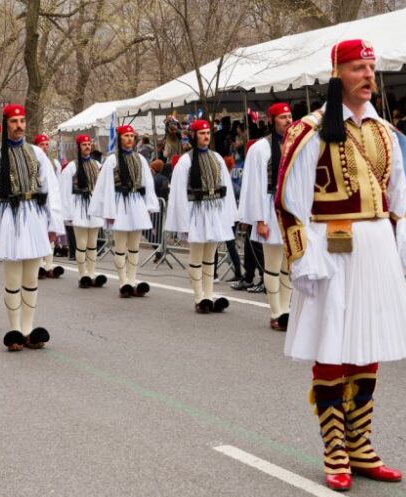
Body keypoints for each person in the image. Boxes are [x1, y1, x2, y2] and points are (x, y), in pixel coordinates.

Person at [275, 39, 406, 491]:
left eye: (371, 67)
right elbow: (290, 202)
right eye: (356, 68)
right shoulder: (309, 130)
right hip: (330, 247)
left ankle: (361, 443)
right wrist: (304, 258)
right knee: (332, 348)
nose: (368, 75)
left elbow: (401, 201)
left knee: (367, 344)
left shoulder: (387, 133)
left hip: (374, 246)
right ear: (337, 74)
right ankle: (335, 447)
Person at [0, 104, 63, 351]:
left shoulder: (37, 153)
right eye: (14, 121)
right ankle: (14, 330)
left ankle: (28, 329)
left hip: (33, 217)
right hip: (7, 219)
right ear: (6, 124)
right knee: (12, 277)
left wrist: (53, 223)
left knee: (31, 277)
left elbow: (49, 189)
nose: (20, 125)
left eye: (22, 121)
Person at [166, 119, 238, 314]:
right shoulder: (186, 161)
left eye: (208, 132)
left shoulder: (217, 158)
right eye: (202, 133)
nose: (206, 136)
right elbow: (179, 194)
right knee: (196, 256)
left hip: (214, 211)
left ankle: (209, 295)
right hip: (195, 213)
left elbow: (226, 189)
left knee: (210, 257)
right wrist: (183, 222)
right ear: (194, 136)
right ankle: (199, 297)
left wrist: (228, 216)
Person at [239, 102, 294, 331]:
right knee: (272, 264)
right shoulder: (260, 148)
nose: (288, 121)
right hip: (270, 208)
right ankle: (275, 311)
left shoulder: (295, 144)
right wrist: (259, 219)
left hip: (291, 209)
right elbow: (255, 186)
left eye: (290, 116)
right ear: (272, 121)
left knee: (289, 265)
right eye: (283, 117)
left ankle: (287, 310)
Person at [90, 124, 160, 298]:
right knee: (120, 247)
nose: (130, 139)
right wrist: (109, 211)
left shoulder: (141, 159)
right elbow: (105, 187)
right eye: (126, 136)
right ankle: (123, 282)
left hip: (136, 203)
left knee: (134, 247)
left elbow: (147, 184)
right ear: (120, 138)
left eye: (132, 136)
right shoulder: (112, 160)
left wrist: (148, 205)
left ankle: (132, 280)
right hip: (119, 203)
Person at [60, 134, 106, 289]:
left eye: (89, 144)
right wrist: (68, 214)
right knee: (82, 243)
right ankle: (82, 274)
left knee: (92, 244)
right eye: (84, 144)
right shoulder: (72, 167)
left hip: (93, 207)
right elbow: (65, 191)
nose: (87, 147)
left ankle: (91, 273)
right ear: (78, 147)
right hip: (78, 207)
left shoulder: (97, 165)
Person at [34, 133, 64, 279]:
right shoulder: (34, 161)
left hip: (51, 201)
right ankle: (38, 264)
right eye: (42, 144)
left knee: (51, 232)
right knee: (40, 232)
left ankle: (49, 265)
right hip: (38, 201)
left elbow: (57, 184)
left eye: (46, 144)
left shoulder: (55, 163)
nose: (45, 147)